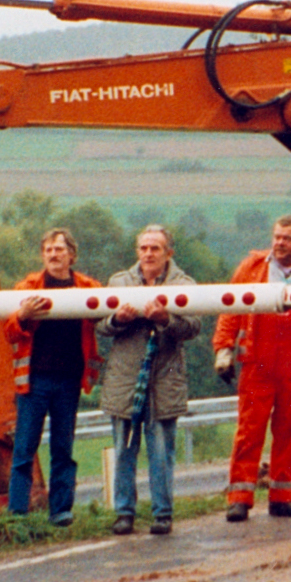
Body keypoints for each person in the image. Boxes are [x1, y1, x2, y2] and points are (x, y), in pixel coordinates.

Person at [214, 216, 291, 522]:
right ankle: (239, 497)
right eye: (276, 237)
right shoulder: (252, 267)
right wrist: (223, 349)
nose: (279, 243)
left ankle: (282, 496)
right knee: (249, 431)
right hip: (257, 362)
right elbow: (230, 307)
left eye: (287, 238)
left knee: (290, 431)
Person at [99, 225, 201, 536]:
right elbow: (101, 325)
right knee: (123, 449)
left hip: (164, 378)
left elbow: (193, 326)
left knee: (161, 450)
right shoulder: (119, 282)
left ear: (169, 252)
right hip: (125, 379)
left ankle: (162, 514)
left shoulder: (185, 284)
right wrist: (119, 320)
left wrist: (165, 320)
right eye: (143, 248)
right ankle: (124, 512)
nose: (148, 254)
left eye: (155, 248)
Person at [3, 228, 102, 525]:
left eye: (59, 249)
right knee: (24, 448)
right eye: (48, 250)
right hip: (34, 380)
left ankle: (61, 510)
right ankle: (17, 514)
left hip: (69, 379)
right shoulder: (27, 287)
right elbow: (8, 333)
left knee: (63, 447)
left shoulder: (87, 286)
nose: (53, 255)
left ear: (71, 254)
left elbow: (103, 314)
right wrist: (21, 316)